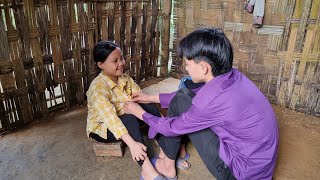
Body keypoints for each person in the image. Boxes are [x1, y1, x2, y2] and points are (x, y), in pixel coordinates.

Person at [124, 27, 279, 180]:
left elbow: (171, 127)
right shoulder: (234, 76)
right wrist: (150, 98)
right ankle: (173, 156)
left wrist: (139, 113)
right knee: (184, 94)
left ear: (204, 67)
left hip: (238, 173)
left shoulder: (211, 101)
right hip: (261, 166)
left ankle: (167, 164)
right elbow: (191, 95)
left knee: (181, 104)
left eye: (187, 63)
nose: (186, 68)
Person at [86, 41, 166, 180]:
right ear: (101, 65)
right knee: (129, 119)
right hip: (103, 127)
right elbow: (112, 120)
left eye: (121, 58)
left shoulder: (125, 78)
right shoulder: (97, 88)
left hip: (125, 115)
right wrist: (132, 144)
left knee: (149, 106)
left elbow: (139, 98)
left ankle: (166, 154)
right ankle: (146, 169)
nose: (121, 63)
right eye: (115, 61)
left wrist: (147, 106)